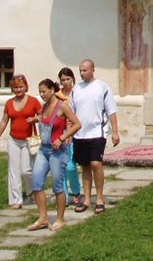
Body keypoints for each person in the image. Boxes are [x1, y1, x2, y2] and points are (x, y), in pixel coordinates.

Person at [27, 78, 81, 231]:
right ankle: (43, 218)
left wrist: (62, 138)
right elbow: (44, 121)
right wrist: (34, 119)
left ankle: (60, 219)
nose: (41, 95)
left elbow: (77, 124)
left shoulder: (62, 106)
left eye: (44, 91)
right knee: (36, 182)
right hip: (43, 150)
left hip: (58, 152)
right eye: (40, 92)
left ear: (52, 90)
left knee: (58, 185)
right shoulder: (44, 107)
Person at [70, 58, 120, 214]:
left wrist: (115, 131)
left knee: (96, 164)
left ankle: (99, 198)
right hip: (80, 134)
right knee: (84, 165)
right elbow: (71, 113)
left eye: (84, 70)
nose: (82, 73)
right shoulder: (76, 89)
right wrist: (69, 132)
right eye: (80, 70)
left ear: (92, 70)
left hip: (97, 132)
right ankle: (86, 199)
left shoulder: (102, 88)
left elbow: (111, 110)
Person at [0, 74, 42, 209]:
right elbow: (4, 121)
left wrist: (35, 119)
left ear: (26, 87)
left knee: (26, 170)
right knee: (13, 170)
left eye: (21, 87)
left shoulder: (33, 101)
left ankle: (31, 191)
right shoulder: (9, 103)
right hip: (14, 140)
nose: (18, 90)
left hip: (28, 140)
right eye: (15, 88)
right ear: (12, 89)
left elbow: (43, 115)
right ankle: (16, 200)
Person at [56, 67, 85, 209]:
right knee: (60, 167)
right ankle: (64, 196)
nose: (66, 82)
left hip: (75, 132)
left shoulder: (78, 92)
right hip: (59, 133)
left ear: (73, 79)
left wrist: (70, 133)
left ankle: (76, 192)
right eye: (63, 80)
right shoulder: (57, 96)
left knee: (70, 166)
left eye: (68, 79)